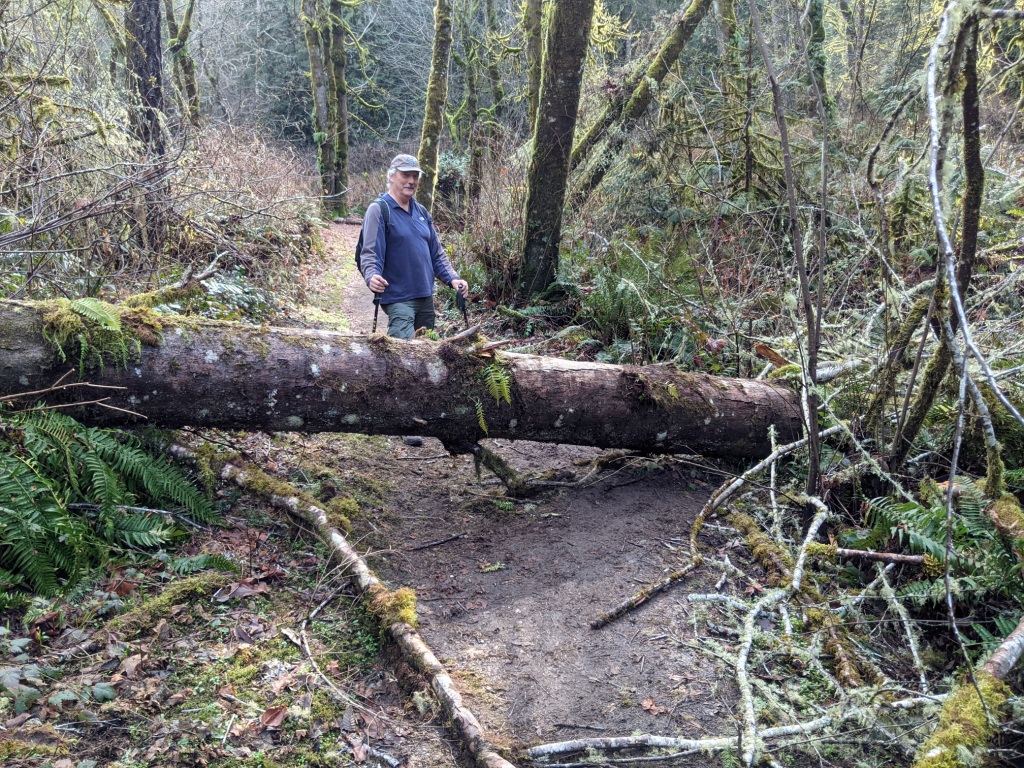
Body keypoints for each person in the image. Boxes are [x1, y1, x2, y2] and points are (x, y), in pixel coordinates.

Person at [357, 154, 469, 339]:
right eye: (406, 175)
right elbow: (369, 253)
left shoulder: (421, 212)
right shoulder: (379, 210)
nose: (411, 181)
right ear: (392, 176)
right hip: (399, 298)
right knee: (404, 356)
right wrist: (371, 276)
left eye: (415, 176)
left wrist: (453, 279)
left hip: (425, 297)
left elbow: (437, 254)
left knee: (427, 353)